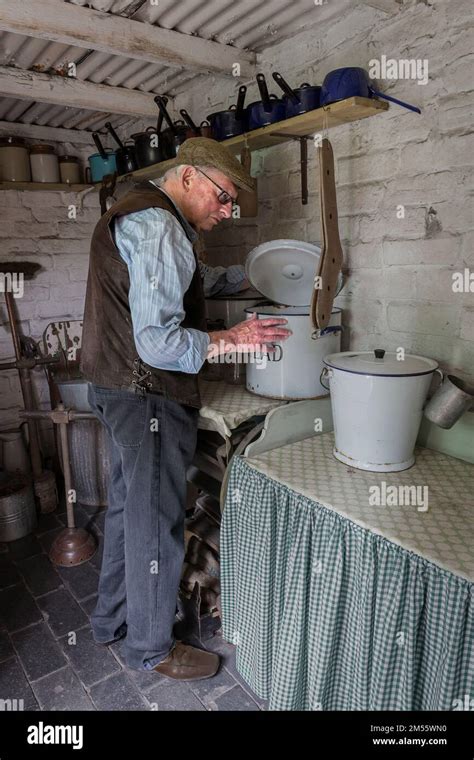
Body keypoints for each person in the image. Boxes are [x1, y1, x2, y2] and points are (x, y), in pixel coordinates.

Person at [79, 138, 291, 681]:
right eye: (222, 198)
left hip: (113, 387)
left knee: (129, 510)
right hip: (145, 393)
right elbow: (159, 343)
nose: (226, 211)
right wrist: (233, 337)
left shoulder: (141, 209)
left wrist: (252, 277)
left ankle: (110, 623)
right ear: (191, 177)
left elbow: (178, 284)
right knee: (155, 524)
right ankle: (151, 649)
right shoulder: (160, 227)